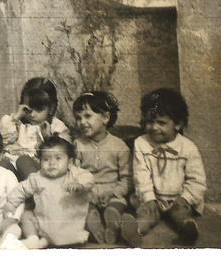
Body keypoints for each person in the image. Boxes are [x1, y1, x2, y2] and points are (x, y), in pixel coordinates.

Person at [120, 88, 207, 247]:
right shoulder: (142, 143)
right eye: (150, 121)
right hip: (153, 197)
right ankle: (135, 231)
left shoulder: (187, 147)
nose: (154, 127)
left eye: (161, 123)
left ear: (178, 124)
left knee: (179, 213)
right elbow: (141, 176)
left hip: (179, 199)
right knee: (146, 214)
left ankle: (187, 228)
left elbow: (197, 180)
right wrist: (149, 199)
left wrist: (185, 198)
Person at [4, 134, 94, 248]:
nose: (51, 163)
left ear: (70, 162)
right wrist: (11, 203)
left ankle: (41, 240)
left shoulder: (74, 175)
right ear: (40, 161)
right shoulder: (38, 177)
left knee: (29, 214)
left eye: (58, 158)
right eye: (46, 159)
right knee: (26, 214)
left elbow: (89, 178)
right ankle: (33, 238)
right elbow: (21, 189)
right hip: (44, 228)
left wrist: (80, 185)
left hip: (70, 230)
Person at [72, 91, 132, 245]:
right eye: (78, 118)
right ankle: (95, 228)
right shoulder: (78, 145)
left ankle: (113, 225)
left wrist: (114, 192)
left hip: (112, 193)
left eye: (87, 116)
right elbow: (75, 173)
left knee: (115, 207)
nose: (82, 122)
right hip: (88, 193)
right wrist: (84, 191)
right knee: (85, 209)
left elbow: (127, 179)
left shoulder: (119, 146)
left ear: (105, 117)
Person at [0, 77, 70, 180]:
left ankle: (37, 192)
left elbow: (65, 151)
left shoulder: (54, 125)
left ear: (51, 108)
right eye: (28, 109)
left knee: (23, 161)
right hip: (14, 170)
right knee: (2, 164)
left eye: (38, 109)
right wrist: (15, 118)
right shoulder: (18, 123)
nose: (32, 115)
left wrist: (48, 138)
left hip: (39, 170)